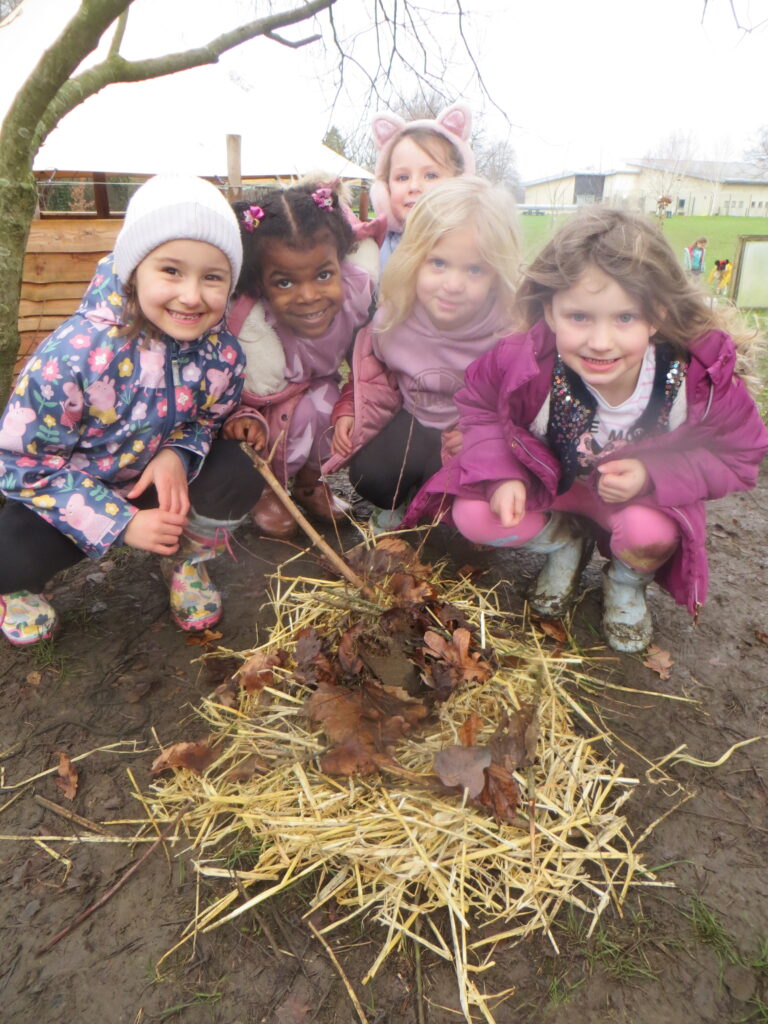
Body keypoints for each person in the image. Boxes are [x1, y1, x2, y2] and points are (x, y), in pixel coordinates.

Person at [404, 208, 768, 653]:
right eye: (579, 317)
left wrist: (653, 477)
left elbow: (738, 455)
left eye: (624, 318)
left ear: (657, 314)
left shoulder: (694, 380)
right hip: (553, 486)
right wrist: (502, 474)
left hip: (637, 501)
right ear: (550, 312)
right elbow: (480, 406)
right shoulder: (523, 360)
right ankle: (563, 545)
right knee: (474, 514)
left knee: (651, 534)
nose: (600, 341)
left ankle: (625, 582)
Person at [0, 174, 265, 646]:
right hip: (70, 493)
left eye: (212, 277)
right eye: (171, 271)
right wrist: (119, 522)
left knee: (238, 469)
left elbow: (207, 420)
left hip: (150, 482)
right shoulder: (75, 355)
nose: (191, 295)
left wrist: (178, 453)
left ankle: (185, 561)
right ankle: (16, 586)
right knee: (9, 551)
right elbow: (24, 465)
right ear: (133, 269)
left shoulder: (222, 354)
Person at [324, 177, 520, 532]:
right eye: (439, 263)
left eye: (474, 269)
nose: (453, 284)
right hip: (413, 417)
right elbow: (372, 377)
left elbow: (519, 405)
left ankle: (442, 509)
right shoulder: (393, 318)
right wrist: (349, 410)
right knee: (371, 474)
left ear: (496, 273)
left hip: (468, 433)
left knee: (454, 502)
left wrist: (484, 434)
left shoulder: (506, 336)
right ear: (414, 259)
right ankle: (403, 501)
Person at [223, 181, 375, 539]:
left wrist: (353, 405)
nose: (309, 296)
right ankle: (266, 490)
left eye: (324, 275)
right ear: (260, 281)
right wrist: (241, 416)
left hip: (320, 388)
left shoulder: (357, 296)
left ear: (340, 262)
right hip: (263, 405)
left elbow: (366, 365)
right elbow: (224, 386)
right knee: (273, 430)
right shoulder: (247, 321)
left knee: (331, 410)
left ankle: (309, 483)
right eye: (285, 283)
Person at [369, 102, 475, 270]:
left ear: (459, 184)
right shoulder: (373, 249)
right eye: (402, 177)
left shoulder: (473, 245)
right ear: (385, 188)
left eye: (431, 175)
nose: (414, 186)